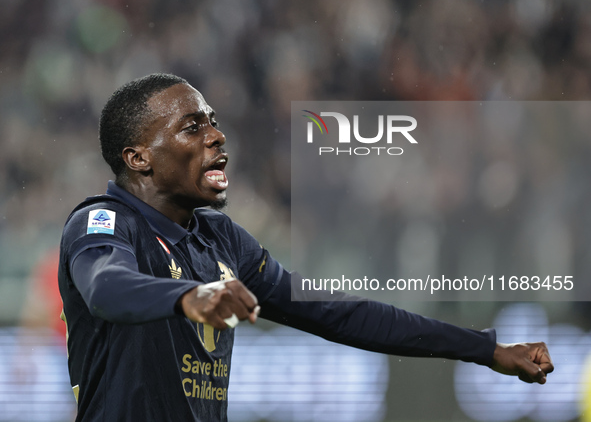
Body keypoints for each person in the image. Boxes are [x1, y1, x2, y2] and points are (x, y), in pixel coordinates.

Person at [58, 73, 553, 422]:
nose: (217, 135)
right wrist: (188, 297)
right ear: (138, 157)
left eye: (212, 120)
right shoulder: (102, 222)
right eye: (192, 126)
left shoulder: (218, 238)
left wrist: (484, 348)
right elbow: (107, 287)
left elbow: (338, 313)